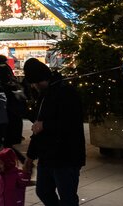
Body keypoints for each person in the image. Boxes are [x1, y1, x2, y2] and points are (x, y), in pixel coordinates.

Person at [23, 58, 85, 206]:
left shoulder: (66, 92)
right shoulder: (44, 95)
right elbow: (38, 126)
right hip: (47, 155)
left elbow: (71, 123)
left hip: (66, 155)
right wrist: (30, 157)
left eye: (35, 83)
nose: (33, 86)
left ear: (42, 79)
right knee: (43, 191)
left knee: (67, 197)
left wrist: (45, 125)